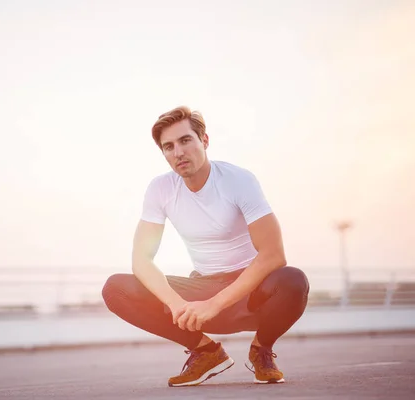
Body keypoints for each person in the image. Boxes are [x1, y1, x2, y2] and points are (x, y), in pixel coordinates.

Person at [102, 106, 310, 387]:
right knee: (116, 288)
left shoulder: (238, 180)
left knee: (294, 280)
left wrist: (213, 305)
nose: (178, 152)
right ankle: (206, 352)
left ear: (204, 141)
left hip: (250, 293)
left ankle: (261, 349)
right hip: (201, 290)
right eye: (168, 147)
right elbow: (141, 259)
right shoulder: (160, 189)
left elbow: (273, 255)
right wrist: (176, 305)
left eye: (186, 140)